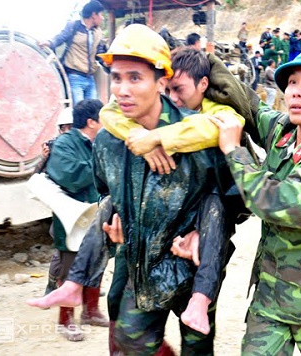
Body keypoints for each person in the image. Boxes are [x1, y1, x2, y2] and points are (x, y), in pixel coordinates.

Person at [168, 47, 301, 354]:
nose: (297, 92)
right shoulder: (284, 131)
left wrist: (235, 150)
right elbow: (249, 105)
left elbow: (284, 204)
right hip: (272, 297)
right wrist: (207, 63)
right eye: (292, 83)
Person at [88, 24, 242, 355]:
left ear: (161, 82)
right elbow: (105, 190)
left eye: (135, 77)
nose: (122, 89)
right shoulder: (108, 140)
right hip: (141, 267)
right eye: (116, 78)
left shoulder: (204, 136)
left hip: (193, 266)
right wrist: (117, 220)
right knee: (131, 341)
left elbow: (236, 197)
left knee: (197, 346)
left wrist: (207, 232)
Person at [45, 98, 107, 341]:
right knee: (71, 268)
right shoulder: (64, 143)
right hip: (72, 218)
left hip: (96, 213)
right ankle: (65, 319)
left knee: (97, 262)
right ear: (92, 122)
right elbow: (69, 175)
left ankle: (90, 311)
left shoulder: (99, 142)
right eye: (103, 118)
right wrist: (97, 165)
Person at [34, 106, 74, 297]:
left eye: (72, 127)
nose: (69, 132)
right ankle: (52, 285)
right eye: (66, 128)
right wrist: (44, 158)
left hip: (82, 205)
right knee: (63, 250)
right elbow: (37, 176)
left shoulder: (84, 145)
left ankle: (82, 285)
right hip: (63, 206)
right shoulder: (56, 148)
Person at [38, 0, 107, 105]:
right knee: (78, 111)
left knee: (92, 111)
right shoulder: (74, 26)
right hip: (75, 76)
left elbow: (99, 52)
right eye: (101, 15)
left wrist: (107, 63)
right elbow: (61, 38)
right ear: (93, 15)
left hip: (90, 77)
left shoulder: (97, 32)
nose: (102, 18)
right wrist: (49, 43)